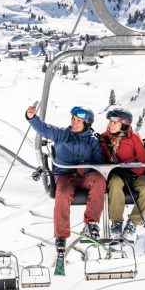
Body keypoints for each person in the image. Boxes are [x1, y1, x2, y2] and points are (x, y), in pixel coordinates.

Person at [26, 104, 106, 273]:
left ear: (86, 124)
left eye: (78, 121)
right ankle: (61, 236)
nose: (74, 123)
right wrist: (32, 117)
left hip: (85, 175)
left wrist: (89, 168)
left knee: (99, 181)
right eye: (73, 119)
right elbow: (44, 129)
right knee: (62, 193)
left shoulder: (92, 141)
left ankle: (91, 222)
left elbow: (99, 163)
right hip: (65, 175)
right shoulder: (62, 134)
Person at [97, 108, 145, 242]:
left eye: (114, 122)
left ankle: (134, 222)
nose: (111, 124)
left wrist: (133, 173)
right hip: (115, 174)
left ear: (124, 124)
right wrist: (112, 170)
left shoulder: (134, 137)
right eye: (110, 121)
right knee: (115, 183)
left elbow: (143, 160)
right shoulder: (104, 138)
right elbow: (100, 159)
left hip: (134, 173)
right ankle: (116, 222)